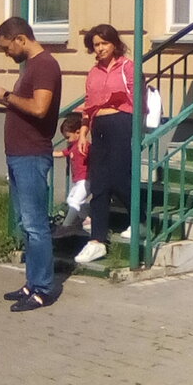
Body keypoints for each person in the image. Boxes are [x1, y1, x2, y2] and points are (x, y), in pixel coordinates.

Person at [0, 17, 62, 312]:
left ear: (20, 39)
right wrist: (1, 101)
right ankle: (32, 282)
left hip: (31, 155)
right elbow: (24, 105)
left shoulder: (45, 65)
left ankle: (43, 289)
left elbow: (40, 108)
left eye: (7, 47)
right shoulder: (32, 66)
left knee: (35, 225)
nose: (7, 53)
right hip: (19, 155)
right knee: (26, 225)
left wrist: (6, 95)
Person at [75, 23, 143, 264]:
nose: (100, 48)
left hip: (121, 122)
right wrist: (83, 133)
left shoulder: (128, 67)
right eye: (96, 44)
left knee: (119, 176)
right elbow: (88, 104)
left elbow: (138, 99)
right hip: (99, 126)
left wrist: (135, 128)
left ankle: (139, 218)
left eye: (104, 43)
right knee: (99, 182)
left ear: (114, 44)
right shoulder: (93, 73)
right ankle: (97, 240)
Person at [52, 113, 91, 235]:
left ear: (78, 132)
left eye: (68, 137)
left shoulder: (85, 146)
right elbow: (61, 153)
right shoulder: (72, 147)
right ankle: (87, 220)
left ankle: (66, 226)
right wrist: (47, 152)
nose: (67, 140)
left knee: (75, 201)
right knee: (70, 200)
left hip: (86, 179)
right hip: (78, 181)